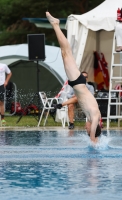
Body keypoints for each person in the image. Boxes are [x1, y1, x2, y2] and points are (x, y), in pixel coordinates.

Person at [46, 12, 101, 143]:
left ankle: (56, 25)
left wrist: (97, 140)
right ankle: (55, 24)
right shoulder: (94, 117)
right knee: (66, 52)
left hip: (76, 83)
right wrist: (93, 139)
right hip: (78, 82)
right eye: (87, 129)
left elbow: (96, 132)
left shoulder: (91, 118)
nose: (85, 128)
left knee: (65, 53)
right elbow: (94, 131)